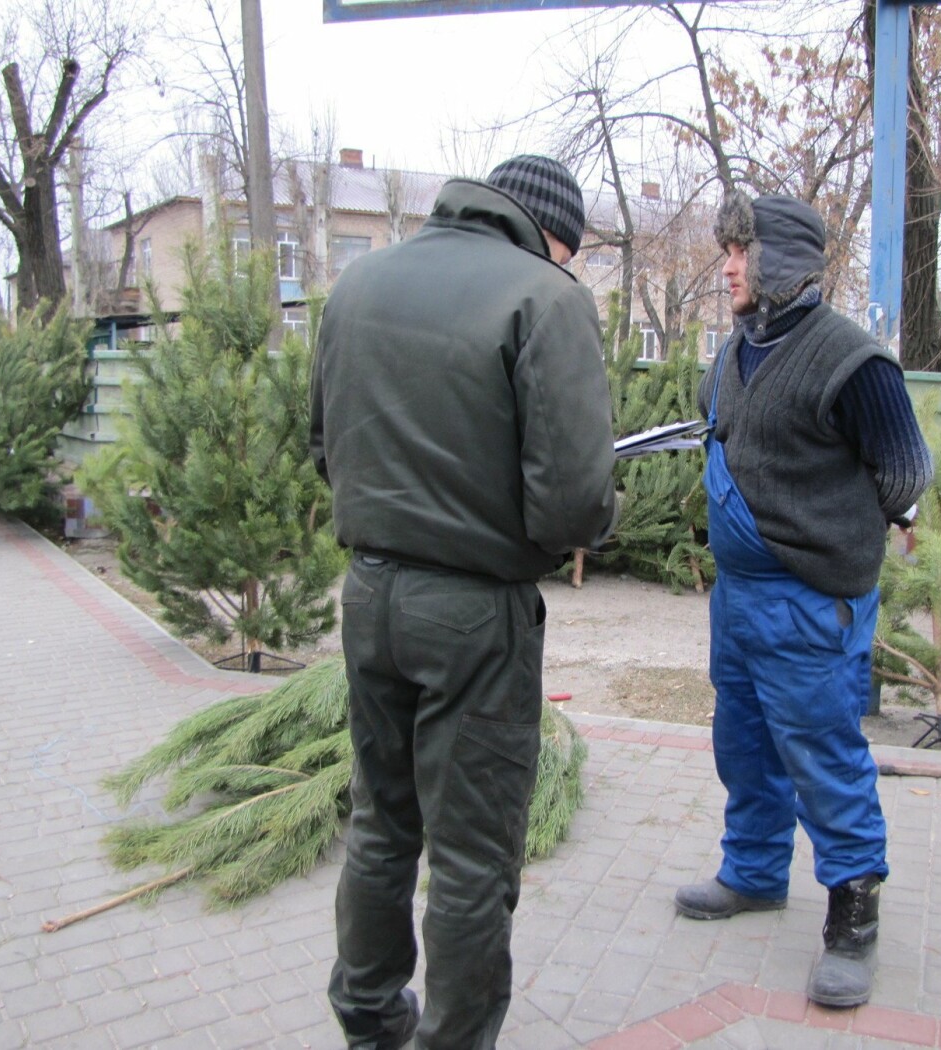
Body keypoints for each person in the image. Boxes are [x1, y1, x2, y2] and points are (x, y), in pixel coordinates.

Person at [309, 154, 618, 1050]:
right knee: (473, 861)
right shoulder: (546, 299)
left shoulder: (357, 284)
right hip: (477, 617)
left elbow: (324, 446)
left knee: (380, 821)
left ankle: (369, 1018)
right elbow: (573, 508)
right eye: (570, 251)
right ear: (551, 234)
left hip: (368, 596)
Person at [675, 190, 932, 1009]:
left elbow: (905, 472)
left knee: (822, 754)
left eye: (740, 253)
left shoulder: (853, 361)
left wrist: (855, 530)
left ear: (781, 259)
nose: (728, 268)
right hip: (740, 600)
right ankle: (753, 873)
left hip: (812, 601)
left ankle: (853, 921)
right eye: (728, 251)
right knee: (742, 741)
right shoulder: (733, 353)